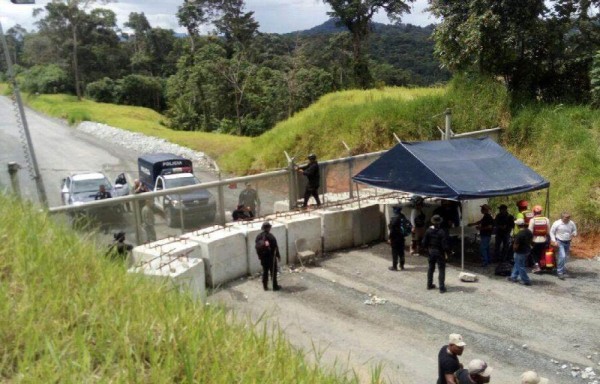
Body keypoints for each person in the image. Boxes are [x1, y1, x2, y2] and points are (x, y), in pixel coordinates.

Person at [422, 214, 450, 293]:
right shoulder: (442, 232)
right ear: (439, 222)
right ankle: (441, 287)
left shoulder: (428, 231)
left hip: (431, 251)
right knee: (441, 269)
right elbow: (445, 245)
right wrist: (448, 252)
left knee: (431, 268)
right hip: (440, 252)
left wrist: (427, 249)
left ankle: (429, 284)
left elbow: (424, 243)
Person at [550, 211, 577, 280]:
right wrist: (554, 240)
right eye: (566, 217)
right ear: (562, 217)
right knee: (562, 256)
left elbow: (575, 230)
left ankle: (562, 270)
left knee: (565, 257)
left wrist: (573, 234)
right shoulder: (557, 223)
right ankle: (560, 272)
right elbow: (551, 232)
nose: (568, 218)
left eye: (569, 217)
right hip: (560, 241)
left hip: (567, 242)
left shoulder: (571, 223)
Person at [255, 221, 281, 291]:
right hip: (271, 257)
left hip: (263, 258)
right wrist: (278, 256)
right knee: (273, 272)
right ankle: (274, 286)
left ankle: (265, 286)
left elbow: (257, 247)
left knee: (265, 271)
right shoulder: (271, 236)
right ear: (268, 228)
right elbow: (275, 247)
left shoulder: (258, 237)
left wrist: (260, 256)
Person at [508, 219, 533, 286]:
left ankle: (526, 280)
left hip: (520, 252)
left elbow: (516, 245)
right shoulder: (529, 232)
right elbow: (531, 241)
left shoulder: (519, 234)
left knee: (520, 266)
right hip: (527, 250)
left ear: (518, 225)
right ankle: (513, 277)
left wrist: (514, 250)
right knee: (517, 264)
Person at [528, 205, 550, 273]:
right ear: (541, 211)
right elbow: (548, 231)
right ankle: (542, 265)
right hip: (544, 239)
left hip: (535, 240)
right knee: (541, 253)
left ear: (534, 212)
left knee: (534, 253)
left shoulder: (532, 220)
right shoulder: (546, 219)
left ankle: (537, 267)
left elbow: (530, 231)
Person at [388, 205, 410, 271]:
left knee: (395, 252)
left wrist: (389, 238)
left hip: (395, 238)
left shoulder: (394, 218)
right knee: (401, 252)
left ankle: (394, 266)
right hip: (401, 238)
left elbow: (392, 229)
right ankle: (402, 265)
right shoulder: (403, 216)